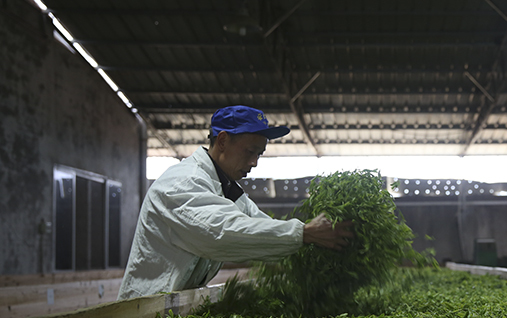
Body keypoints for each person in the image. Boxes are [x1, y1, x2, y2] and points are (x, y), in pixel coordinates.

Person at [117, 105, 353, 300]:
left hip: (176, 306)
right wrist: (304, 233)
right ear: (222, 141)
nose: (255, 162)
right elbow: (222, 232)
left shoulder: (227, 189)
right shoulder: (182, 182)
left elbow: (260, 227)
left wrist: (315, 242)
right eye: (250, 151)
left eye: (259, 154)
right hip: (141, 312)